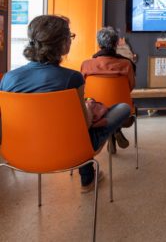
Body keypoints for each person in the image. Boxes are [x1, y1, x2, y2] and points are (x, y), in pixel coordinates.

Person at [0, 15, 131, 192]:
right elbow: (83, 125)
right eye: (70, 36)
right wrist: (89, 110)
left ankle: (89, 177)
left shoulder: (8, 79)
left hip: (19, 152)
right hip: (70, 150)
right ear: (62, 43)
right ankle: (88, 178)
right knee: (121, 108)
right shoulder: (71, 78)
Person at [81, 27, 136, 149]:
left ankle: (112, 132)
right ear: (117, 43)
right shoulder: (127, 64)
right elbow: (130, 87)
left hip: (94, 113)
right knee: (118, 106)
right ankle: (115, 131)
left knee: (101, 107)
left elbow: (83, 90)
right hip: (123, 112)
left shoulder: (86, 64)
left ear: (98, 43)